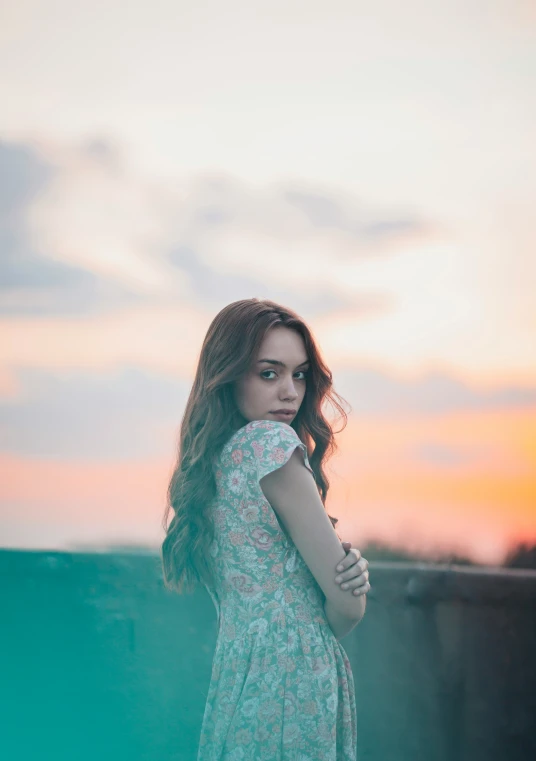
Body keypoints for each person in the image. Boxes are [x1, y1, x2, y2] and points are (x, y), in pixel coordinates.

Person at [161, 298, 370, 760]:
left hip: (240, 679)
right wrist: (348, 584)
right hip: (295, 681)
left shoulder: (211, 463)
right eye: (269, 373)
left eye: (299, 374)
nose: (291, 392)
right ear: (229, 374)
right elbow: (349, 608)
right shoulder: (268, 444)